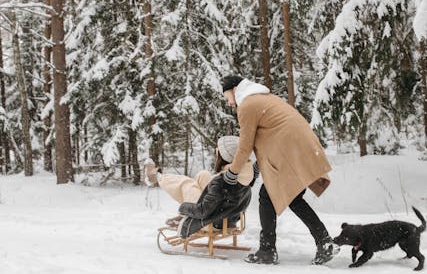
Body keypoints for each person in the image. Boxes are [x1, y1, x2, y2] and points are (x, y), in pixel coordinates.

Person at [220, 75, 340, 265]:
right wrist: (257, 171)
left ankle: (267, 250)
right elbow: (266, 140)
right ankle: (325, 242)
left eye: (226, 96)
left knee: (267, 196)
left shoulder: (247, 105)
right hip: (298, 146)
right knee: (292, 197)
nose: (228, 102)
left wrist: (232, 172)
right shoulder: (263, 98)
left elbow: (245, 145)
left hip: (290, 149)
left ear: (233, 89)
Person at [144, 136, 256, 238]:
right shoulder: (245, 175)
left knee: (186, 184)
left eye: (218, 152)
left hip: (211, 221)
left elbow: (203, 211)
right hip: (226, 218)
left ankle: (156, 177)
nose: (216, 154)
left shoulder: (221, 182)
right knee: (203, 175)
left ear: (224, 157)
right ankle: (159, 179)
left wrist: (183, 208)